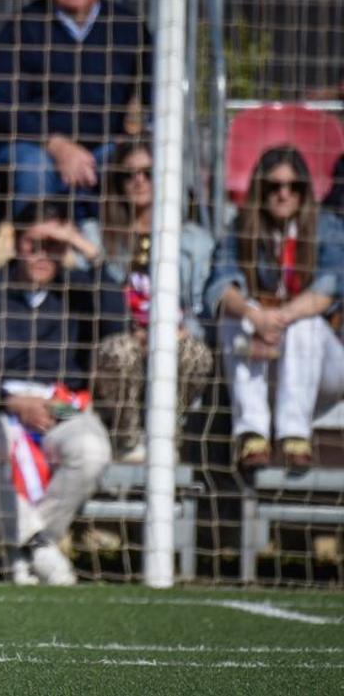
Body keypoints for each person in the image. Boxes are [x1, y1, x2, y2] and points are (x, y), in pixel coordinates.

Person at [0, 201, 118, 586]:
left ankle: (27, 549)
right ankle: (39, 545)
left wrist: (85, 247)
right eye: (34, 244)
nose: (42, 255)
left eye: (53, 245)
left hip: (62, 405)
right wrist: (12, 402)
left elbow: (117, 320)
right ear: (17, 242)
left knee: (92, 450)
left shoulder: (78, 292)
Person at [0, 0, 152, 219]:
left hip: (104, 146)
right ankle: (35, 243)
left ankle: (104, 244)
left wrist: (138, 139)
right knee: (33, 168)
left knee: (128, 165)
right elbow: (5, 104)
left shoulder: (128, 27)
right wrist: (58, 146)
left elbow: (154, 94)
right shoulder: (22, 26)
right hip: (35, 145)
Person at [207, 146, 344, 474]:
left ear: (304, 191)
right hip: (262, 362)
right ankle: (252, 434)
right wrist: (255, 317)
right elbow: (220, 286)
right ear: (260, 189)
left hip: (322, 368)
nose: (283, 195)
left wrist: (278, 319)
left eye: (292, 187)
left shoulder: (326, 227)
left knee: (305, 323)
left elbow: (329, 287)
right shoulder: (240, 227)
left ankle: (294, 435)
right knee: (235, 317)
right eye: (274, 186)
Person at [82, 139, 215, 461]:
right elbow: (87, 301)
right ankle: (129, 443)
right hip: (117, 345)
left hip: (173, 341)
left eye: (148, 173)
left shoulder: (195, 241)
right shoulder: (95, 234)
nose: (139, 181)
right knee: (122, 350)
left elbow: (201, 309)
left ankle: (167, 439)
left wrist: (178, 332)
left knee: (195, 352)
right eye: (129, 175)